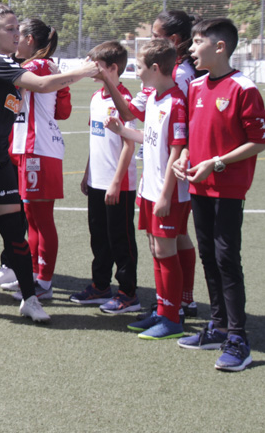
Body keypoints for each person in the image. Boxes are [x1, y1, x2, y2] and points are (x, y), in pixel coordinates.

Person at [0, 6, 97, 322]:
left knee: (16, 229)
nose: (17, 34)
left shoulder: (7, 63)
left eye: (18, 29)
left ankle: (30, 298)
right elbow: (41, 85)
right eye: (10, 29)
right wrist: (84, 70)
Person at [171, 18, 265, 372]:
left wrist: (216, 163)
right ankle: (218, 325)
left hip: (227, 189)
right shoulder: (195, 87)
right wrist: (183, 158)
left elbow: (257, 141)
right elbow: (190, 138)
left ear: (220, 47)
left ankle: (238, 338)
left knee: (227, 258)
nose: (192, 49)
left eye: (197, 42)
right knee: (209, 256)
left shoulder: (244, 88)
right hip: (198, 185)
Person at [105, 39, 191, 340]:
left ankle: (172, 318)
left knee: (166, 252)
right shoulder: (154, 97)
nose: (136, 73)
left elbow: (176, 151)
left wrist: (167, 194)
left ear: (155, 68)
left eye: (139, 68)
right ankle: (162, 308)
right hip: (150, 189)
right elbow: (150, 137)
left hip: (168, 193)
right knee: (156, 250)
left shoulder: (177, 102)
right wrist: (121, 131)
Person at [70, 41, 141, 315]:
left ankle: (128, 293)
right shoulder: (96, 98)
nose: (89, 66)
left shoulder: (125, 100)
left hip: (118, 185)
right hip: (97, 181)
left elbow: (129, 145)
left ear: (112, 68)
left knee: (120, 240)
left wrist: (115, 182)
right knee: (98, 236)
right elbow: (96, 139)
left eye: (95, 63)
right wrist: (88, 173)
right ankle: (100, 286)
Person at [5, 18, 70, 302]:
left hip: (38, 150)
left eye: (16, 34)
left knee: (40, 220)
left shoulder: (37, 67)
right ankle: (33, 276)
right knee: (32, 218)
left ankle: (44, 281)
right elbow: (62, 111)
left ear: (30, 39)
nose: (14, 40)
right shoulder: (40, 68)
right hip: (31, 149)